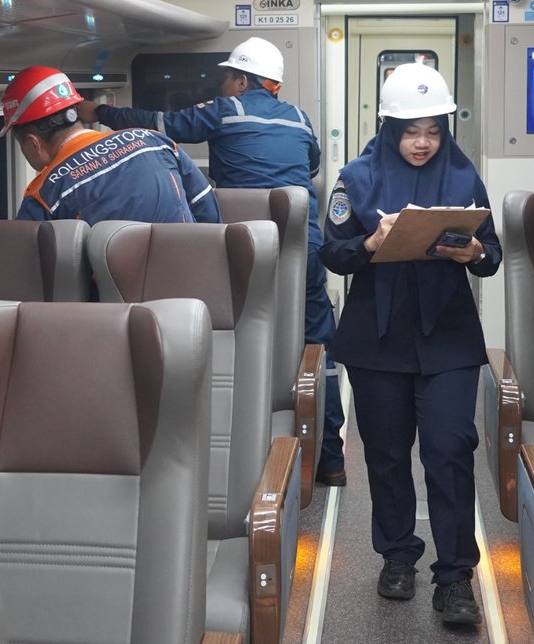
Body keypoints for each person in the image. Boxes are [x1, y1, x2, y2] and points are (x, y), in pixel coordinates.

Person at [94, 38, 348, 485]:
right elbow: (309, 167)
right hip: (303, 246)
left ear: (243, 81)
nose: (223, 85)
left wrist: (103, 114)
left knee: (240, 340)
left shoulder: (225, 111)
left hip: (243, 247)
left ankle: (242, 456)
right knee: (317, 346)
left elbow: (159, 125)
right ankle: (330, 460)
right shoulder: (300, 118)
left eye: (227, 77)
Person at [319, 62, 500, 627]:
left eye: (433, 131)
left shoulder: (464, 177)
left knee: (450, 451)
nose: (422, 143)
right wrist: (372, 242)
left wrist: (476, 254)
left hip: (448, 338)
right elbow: (333, 254)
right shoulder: (356, 178)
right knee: (387, 454)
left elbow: (491, 253)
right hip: (378, 339)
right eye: (410, 131)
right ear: (389, 128)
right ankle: (398, 555)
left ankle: (456, 576)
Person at [0, 66, 218, 224]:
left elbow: (26, 266)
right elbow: (205, 206)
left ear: (33, 143)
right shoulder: (155, 141)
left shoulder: (44, 196)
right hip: (192, 270)